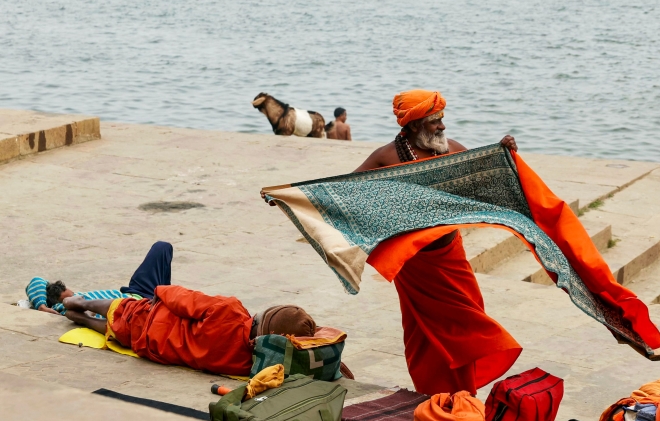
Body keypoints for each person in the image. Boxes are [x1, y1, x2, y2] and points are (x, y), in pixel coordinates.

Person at [353, 89, 522, 396]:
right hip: (414, 264)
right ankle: (432, 393)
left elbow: (486, 174)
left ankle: (463, 394)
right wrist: (291, 199)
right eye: (434, 122)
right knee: (422, 333)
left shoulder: (451, 150)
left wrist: (503, 152)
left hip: (449, 254)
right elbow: (344, 191)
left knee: (468, 320)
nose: (442, 127)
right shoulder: (386, 157)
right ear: (413, 126)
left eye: (442, 120)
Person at [62, 285, 315, 376]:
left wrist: (160, 292)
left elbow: (182, 297)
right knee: (110, 327)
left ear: (261, 318)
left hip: (146, 319)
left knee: (122, 308)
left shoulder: (230, 311)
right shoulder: (245, 363)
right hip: (145, 345)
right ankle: (83, 319)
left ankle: (79, 303)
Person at [26, 241, 173, 315]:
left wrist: (41, 305)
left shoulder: (77, 296)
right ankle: (165, 303)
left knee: (162, 247)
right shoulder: (63, 308)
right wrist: (43, 307)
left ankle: (165, 298)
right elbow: (34, 283)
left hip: (136, 290)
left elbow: (38, 280)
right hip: (139, 305)